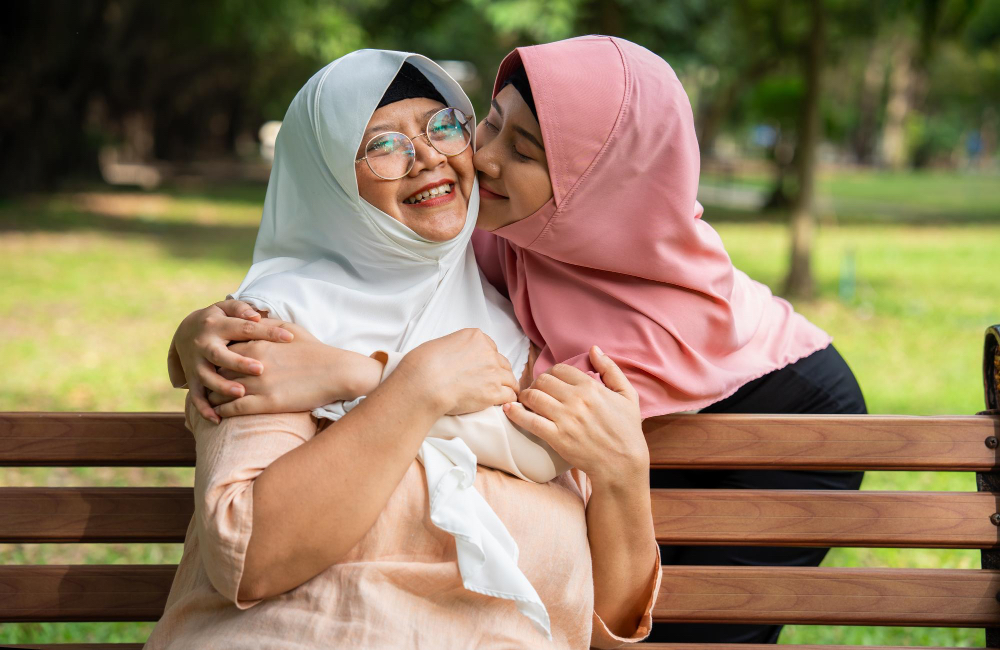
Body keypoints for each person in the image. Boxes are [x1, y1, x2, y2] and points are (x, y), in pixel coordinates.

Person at [173, 36, 865, 645]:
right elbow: (252, 546)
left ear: (591, 186)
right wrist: (192, 341)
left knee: (713, 631)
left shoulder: (563, 326)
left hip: (784, 407)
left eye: (448, 128)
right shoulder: (489, 255)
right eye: (487, 126)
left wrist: (364, 377)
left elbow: (610, 590)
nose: (467, 159)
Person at [148, 49, 660, 649]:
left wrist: (624, 477)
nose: (428, 158)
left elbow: (614, 625)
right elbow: (250, 558)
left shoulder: (525, 326)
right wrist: (416, 388)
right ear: (330, 179)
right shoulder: (276, 326)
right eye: (383, 145)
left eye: (444, 126)